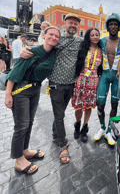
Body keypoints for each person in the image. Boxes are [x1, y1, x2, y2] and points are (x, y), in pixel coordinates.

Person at [20, 13, 82, 164]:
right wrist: (26, 49)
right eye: (70, 23)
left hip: (70, 84)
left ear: (78, 26)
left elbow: (93, 47)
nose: (72, 25)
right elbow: (43, 47)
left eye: (75, 23)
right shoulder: (58, 39)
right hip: (56, 84)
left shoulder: (80, 41)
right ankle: (62, 144)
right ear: (65, 24)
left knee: (60, 112)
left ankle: (56, 135)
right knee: (59, 115)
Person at [5, 26, 60, 175]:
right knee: (21, 125)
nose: (54, 38)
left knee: (29, 123)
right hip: (21, 90)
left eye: (57, 36)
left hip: (35, 90)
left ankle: (25, 150)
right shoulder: (32, 51)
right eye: (51, 34)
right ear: (44, 35)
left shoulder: (54, 53)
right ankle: (18, 160)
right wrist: (8, 94)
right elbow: (15, 72)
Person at [94, 13, 120, 145]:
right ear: (107, 27)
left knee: (114, 105)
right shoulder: (101, 41)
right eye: (111, 24)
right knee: (100, 104)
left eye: (115, 24)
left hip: (117, 76)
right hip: (104, 75)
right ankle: (102, 127)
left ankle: (109, 130)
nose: (113, 26)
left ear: (119, 27)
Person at [72, 28, 102, 142]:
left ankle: (85, 127)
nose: (95, 37)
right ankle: (77, 125)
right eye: (92, 35)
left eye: (97, 35)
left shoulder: (100, 50)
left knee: (89, 105)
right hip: (81, 79)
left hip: (94, 81)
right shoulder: (82, 48)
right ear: (88, 36)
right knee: (79, 105)